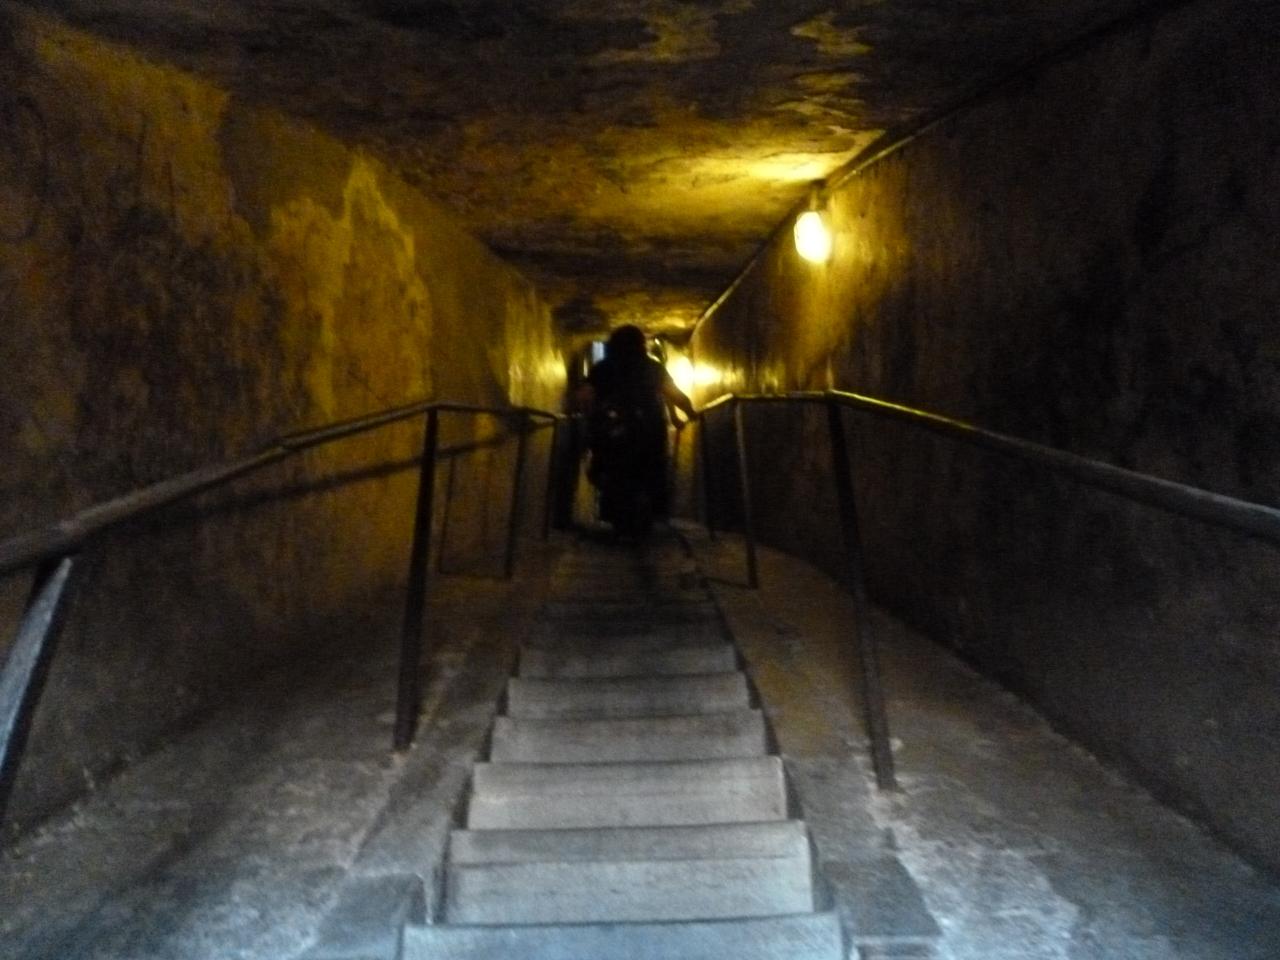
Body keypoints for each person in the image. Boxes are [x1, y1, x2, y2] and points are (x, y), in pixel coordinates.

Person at [577, 325, 695, 533]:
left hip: (612, 430)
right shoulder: (652, 367)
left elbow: (586, 395)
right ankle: (647, 515)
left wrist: (586, 416)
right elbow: (672, 393)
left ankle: (616, 515)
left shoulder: (603, 368)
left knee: (611, 469)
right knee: (649, 473)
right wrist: (689, 411)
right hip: (648, 431)